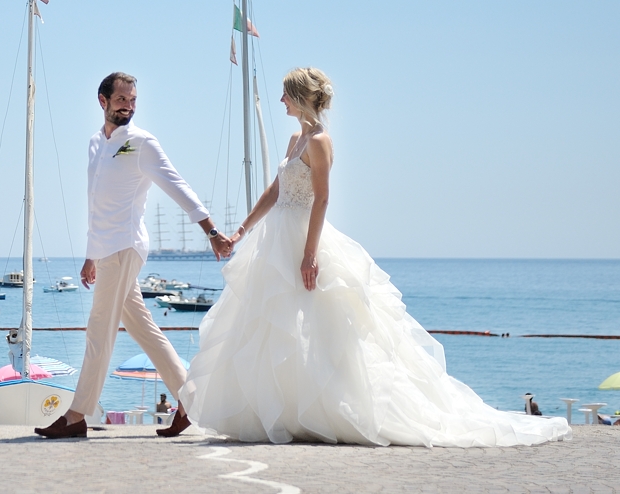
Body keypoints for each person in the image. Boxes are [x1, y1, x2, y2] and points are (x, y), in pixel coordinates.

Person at [179, 68, 571, 447]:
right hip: (274, 239)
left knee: (318, 323)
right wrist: (241, 231)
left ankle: (330, 408)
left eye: (285, 93)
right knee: (273, 324)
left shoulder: (319, 141)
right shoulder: (296, 140)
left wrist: (309, 254)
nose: (281, 99)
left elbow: (322, 198)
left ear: (299, 97)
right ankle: (286, 412)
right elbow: (275, 191)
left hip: (302, 238)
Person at [36, 72, 229, 439]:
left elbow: (177, 185)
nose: (128, 105)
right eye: (122, 98)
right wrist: (91, 255)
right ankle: (190, 400)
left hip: (126, 246)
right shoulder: (96, 143)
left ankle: (76, 415)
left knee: (98, 330)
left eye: (133, 99)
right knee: (143, 329)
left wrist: (212, 232)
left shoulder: (141, 142)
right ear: (103, 101)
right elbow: (97, 205)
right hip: (106, 250)